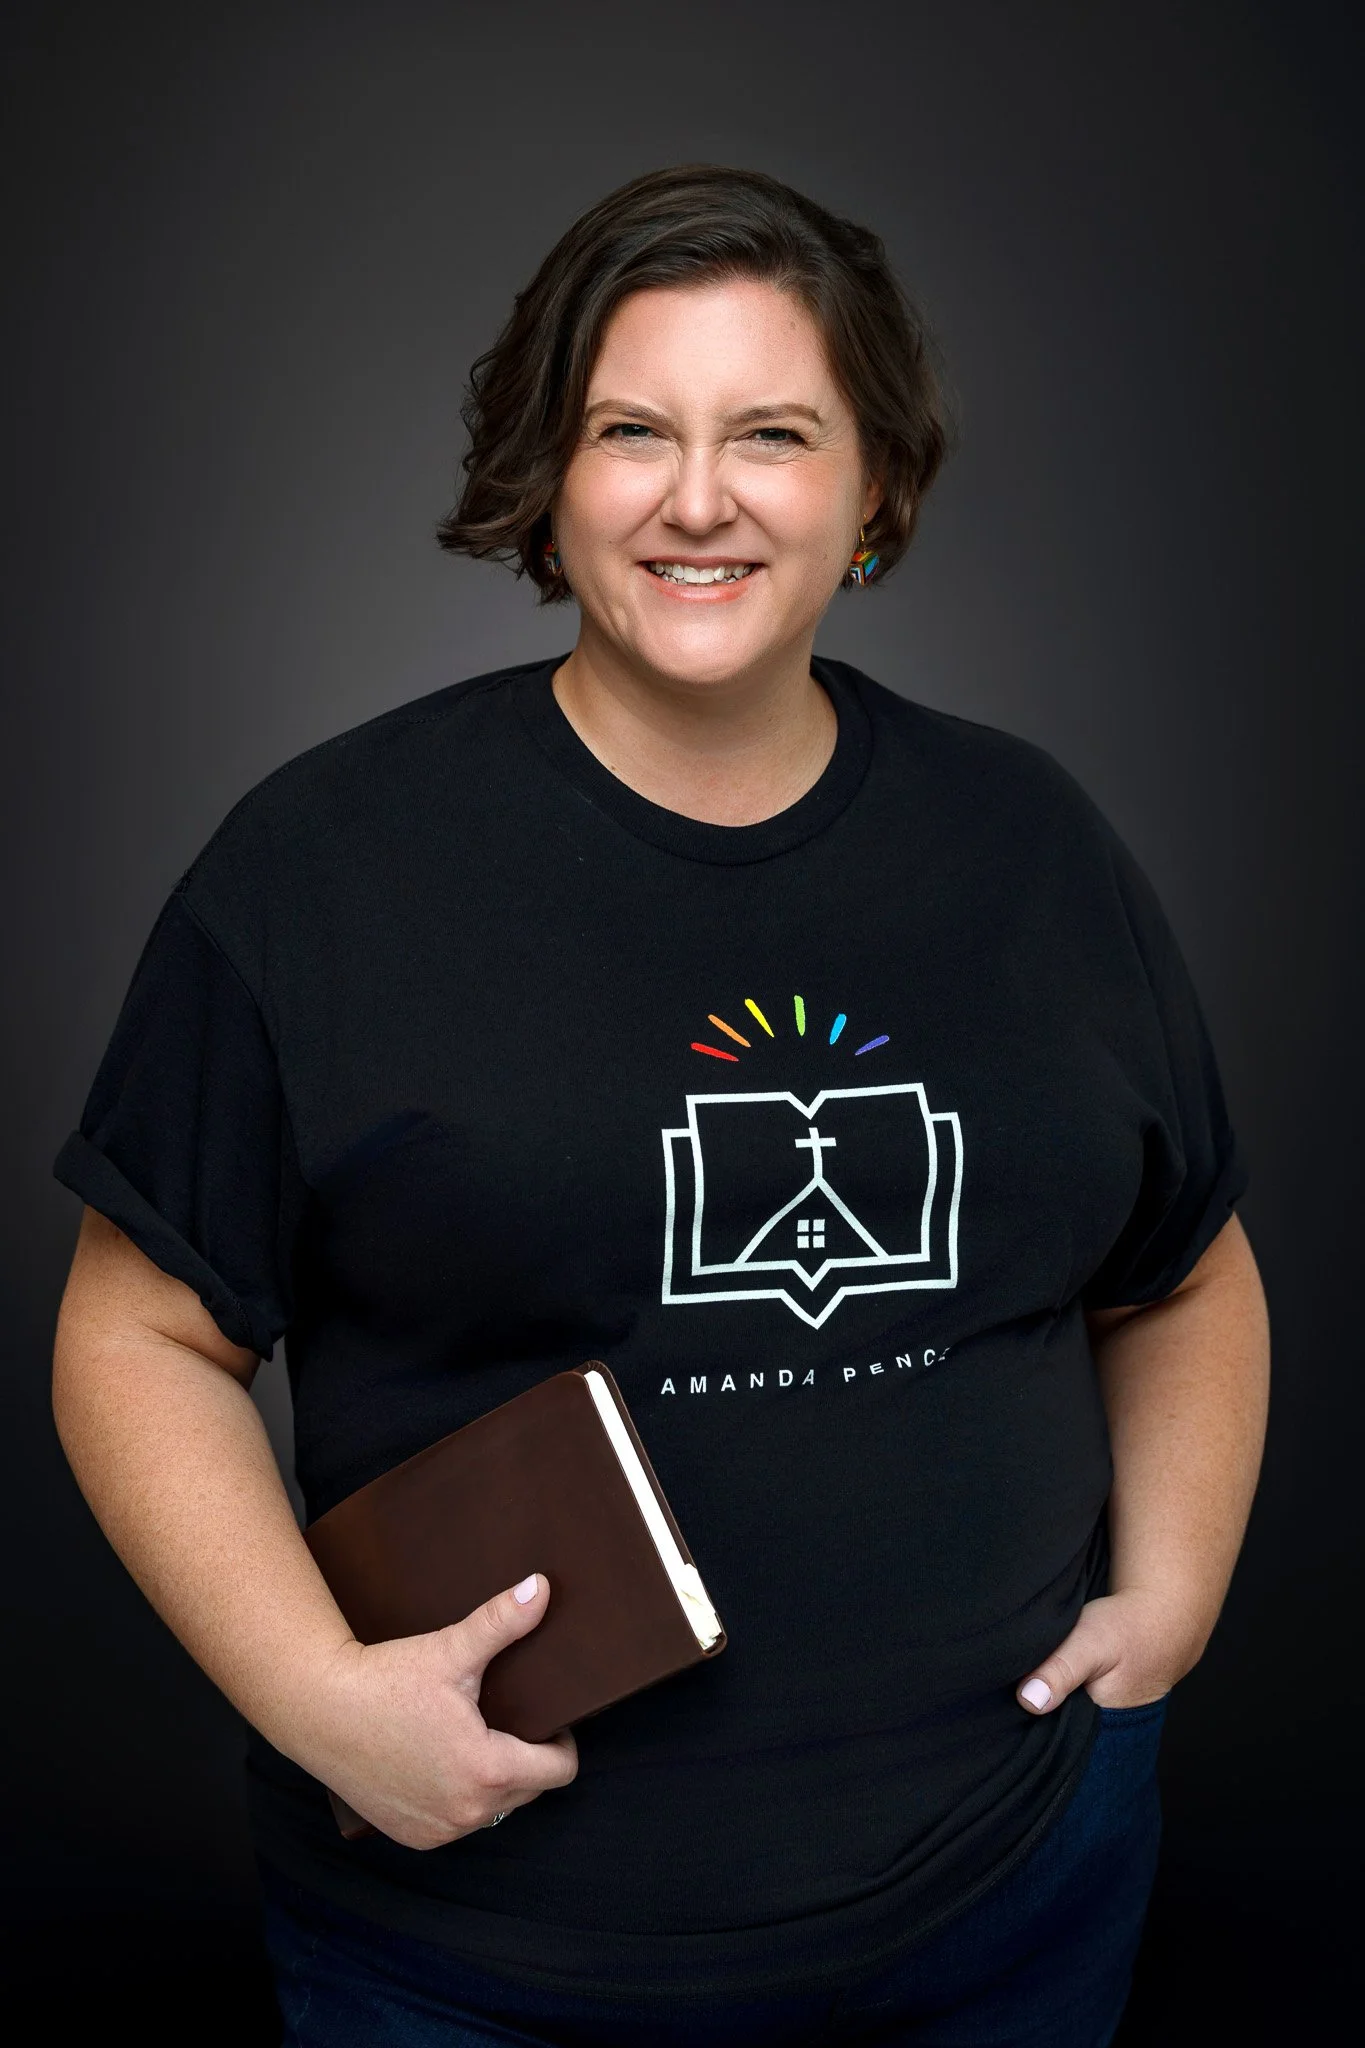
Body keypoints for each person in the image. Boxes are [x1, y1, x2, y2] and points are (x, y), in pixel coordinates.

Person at [51, 165, 1269, 2047]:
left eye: (771, 434)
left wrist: (1170, 1608)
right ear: (552, 474)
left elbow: (1183, 1274)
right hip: (478, 1959)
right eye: (635, 431)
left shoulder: (1031, 846)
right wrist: (311, 1700)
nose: (700, 499)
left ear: (875, 489)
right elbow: (135, 1331)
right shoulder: (325, 865)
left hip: (1012, 1904)